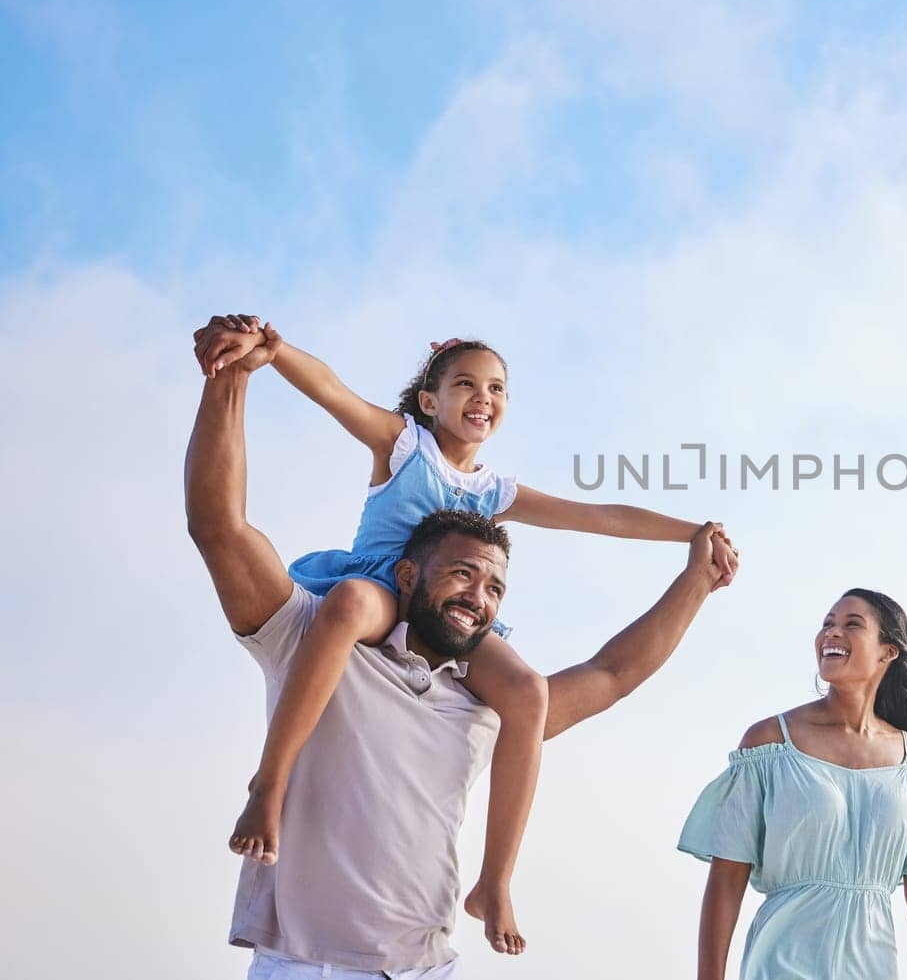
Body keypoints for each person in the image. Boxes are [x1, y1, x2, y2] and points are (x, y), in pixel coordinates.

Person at [185, 315, 737, 977]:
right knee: (352, 606)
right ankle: (269, 783)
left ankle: (494, 880)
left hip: (423, 962)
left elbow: (601, 548)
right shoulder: (404, 450)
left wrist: (694, 542)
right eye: (468, 384)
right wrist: (267, 357)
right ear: (429, 400)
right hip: (376, 588)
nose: (485, 397)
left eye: (498, 388)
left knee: (529, 691)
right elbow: (327, 400)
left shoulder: (491, 506)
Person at [679, 589, 907, 980]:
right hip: (780, 965)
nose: (831, 634)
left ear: (889, 651)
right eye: (827, 624)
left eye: (852, 624)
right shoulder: (769, 743)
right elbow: (727, 878)